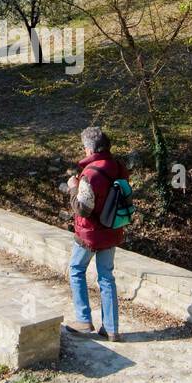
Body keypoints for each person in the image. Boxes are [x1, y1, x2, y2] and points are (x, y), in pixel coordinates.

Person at [64, 126, 128, 342]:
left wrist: (73, 187)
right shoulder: (118, 167)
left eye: (84, 148)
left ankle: (83, 320)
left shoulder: (90, 174)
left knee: (76, 269)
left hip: (90, 234)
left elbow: (83, 208)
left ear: (90, 150)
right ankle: (111, 328)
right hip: (112, 229)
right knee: (106, 277)